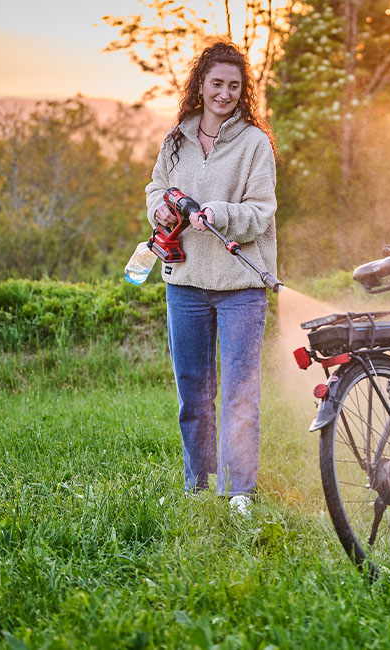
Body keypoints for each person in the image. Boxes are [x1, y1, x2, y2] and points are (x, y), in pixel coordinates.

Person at [145, 41, 277, 514]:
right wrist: (159, 206)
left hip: (241, 287)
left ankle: (238, 490)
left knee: (240, 392)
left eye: (234, 87)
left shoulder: (254, 144)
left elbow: (262, 211)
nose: (225, 94)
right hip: (185, 283)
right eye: (216, 84)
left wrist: (218, 212)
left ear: (244, 93)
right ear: (200, 86)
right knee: (194, 391)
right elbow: (156, 186)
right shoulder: (176, 138)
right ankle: (197, 485)